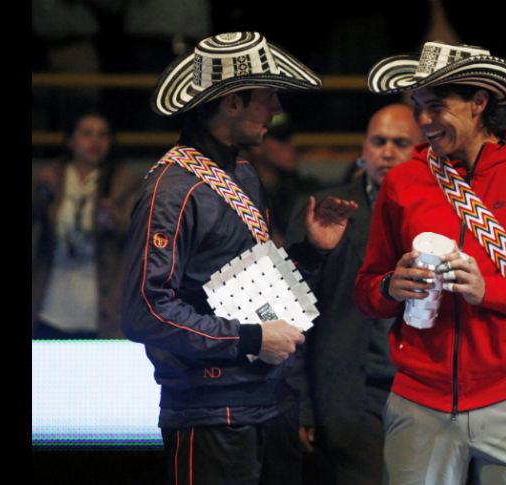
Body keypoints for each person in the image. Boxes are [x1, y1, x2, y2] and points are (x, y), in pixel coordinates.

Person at [355, 41, 506, 485]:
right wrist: (391, 286)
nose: (423, 121)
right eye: (418, 106)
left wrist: (490, 291)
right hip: (417, 398)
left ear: (478, 104)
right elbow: (367, 289)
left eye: (436, 107)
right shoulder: (403, 182)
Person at [121, 32, 357, 485]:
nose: (276, 109)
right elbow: (144, 311)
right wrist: (251, 339)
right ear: (232, 103)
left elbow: (249, 287)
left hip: (269, 400)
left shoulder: (243, 173)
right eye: (267, 97)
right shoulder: (172, 189)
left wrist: (308, 252)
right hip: (209, 411)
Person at [285, 104, 422, 485]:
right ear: (363, 149)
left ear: (423, 150)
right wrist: (301, 405)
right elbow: (293, 312)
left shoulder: (443, 212)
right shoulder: (325, 210)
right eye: (378, 141)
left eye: (400, 143)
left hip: (425, 394)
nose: (388, 152)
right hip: (349, 396)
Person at [32, 111, 139, 339]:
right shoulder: (51, 177)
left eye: (103, 135)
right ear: (71, 140)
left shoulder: (124, 181)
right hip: (51, 299)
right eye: (87, 133)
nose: (95, 141)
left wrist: (115, 220)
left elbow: (138, 233)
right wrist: (40, 194)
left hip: (102, 299)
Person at [247, 114, 324, 246]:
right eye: (282, 138)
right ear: (257, 146)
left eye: (292, 137)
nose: (293, 144)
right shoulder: (241, 193)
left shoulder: (308, 192)